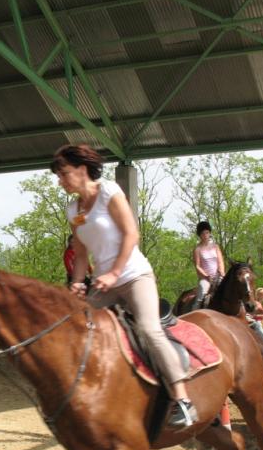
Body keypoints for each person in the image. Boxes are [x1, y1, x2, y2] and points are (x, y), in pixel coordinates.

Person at [51, 143, 196, 429]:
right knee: (76, 330)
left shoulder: (109, 192)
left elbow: (132, 234)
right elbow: (80, 252)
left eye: (63, 173)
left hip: (133, 275)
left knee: (148, 329)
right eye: (58, 175)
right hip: (105, 284)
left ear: (82, 170)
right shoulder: (72, 210)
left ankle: (182, 400)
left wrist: (114, 273)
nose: (60, 180)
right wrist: (78, 283)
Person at [191, 221, 225, 310]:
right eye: (203, 233)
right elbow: (197, 266)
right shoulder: (197, 249)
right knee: (201, 295)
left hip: (218, 276)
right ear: (199, 235)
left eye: (207, 232)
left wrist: (221, 273)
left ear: (209, 233)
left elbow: (220, 261)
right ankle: (194, 314)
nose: (205, 235)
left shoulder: (215, 247)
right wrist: (206, 276)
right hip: (205, 278)